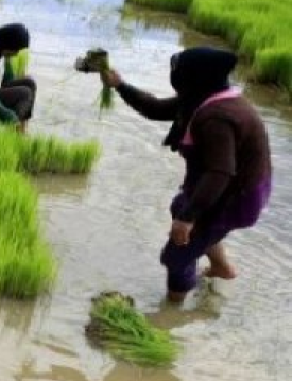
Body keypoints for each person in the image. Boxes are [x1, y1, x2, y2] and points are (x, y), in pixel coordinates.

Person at [101, 47, 272, 303]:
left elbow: (220, 172)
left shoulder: (218, 117)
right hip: (223, 187)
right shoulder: (204, 97)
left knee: (177, 253)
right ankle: (221, 268)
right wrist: (120, 85)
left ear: (195, 77)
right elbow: (156, 108)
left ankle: (172, 311)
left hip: (235, 197)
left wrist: (188, 219)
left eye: (179, 71)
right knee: (180, 206)